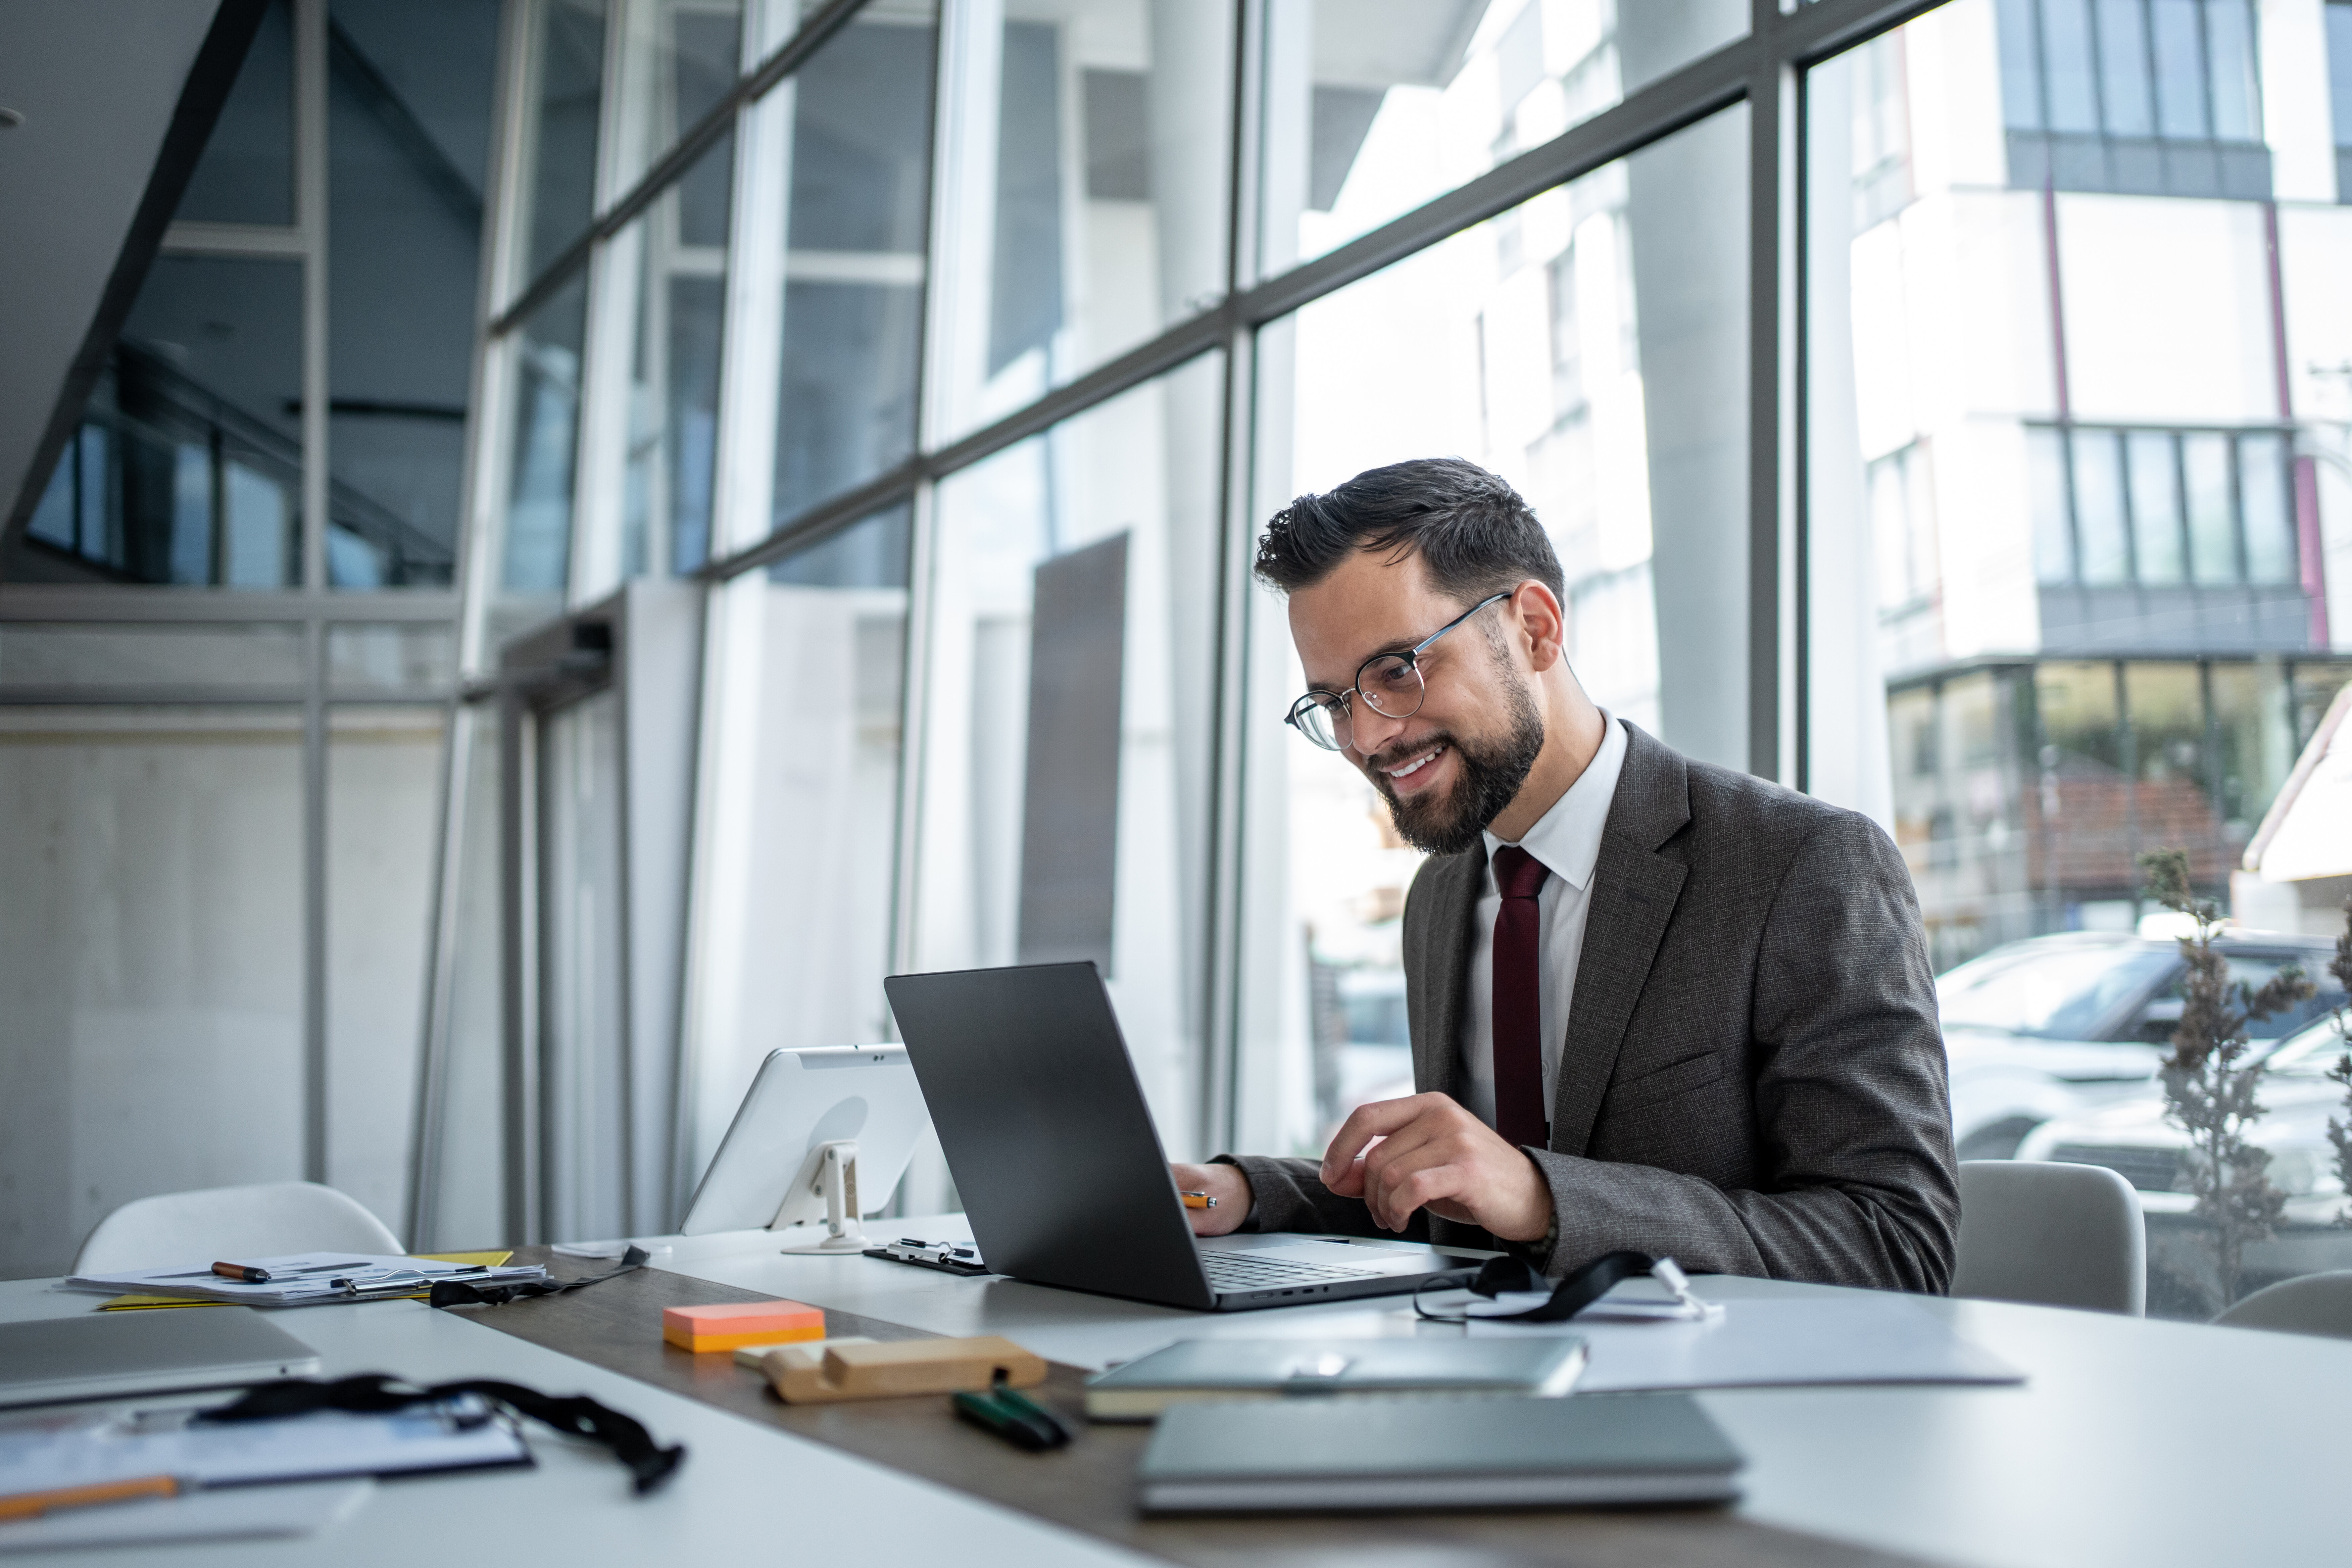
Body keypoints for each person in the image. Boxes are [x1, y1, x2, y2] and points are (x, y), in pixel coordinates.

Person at [1174, 458, 1957, 1292]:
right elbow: (1460, 1196)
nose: (1367, 737)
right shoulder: (1440, 898)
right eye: (1333, 703)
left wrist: (1545, 1194)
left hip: (1711, 1406)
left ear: (1536, 629)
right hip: (1488, 1386)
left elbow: (1895, 1243)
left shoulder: (1800, 865)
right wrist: (1249, 1192)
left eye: (1398, 669)